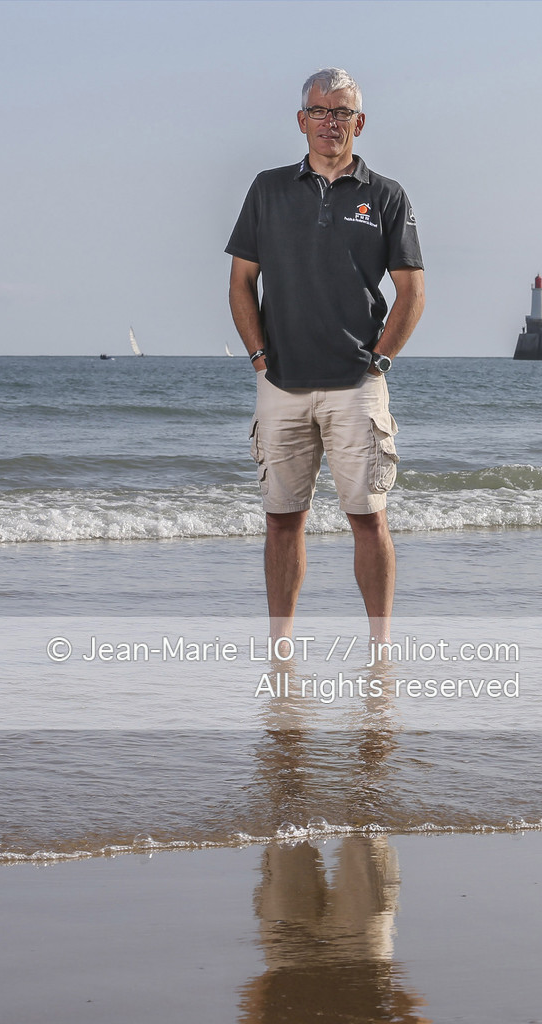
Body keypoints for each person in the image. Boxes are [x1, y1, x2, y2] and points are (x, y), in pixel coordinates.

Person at [227, 68, 425, 642]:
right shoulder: (267, 189)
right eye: (319, 111)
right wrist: (259, 358)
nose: (329, 123)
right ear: (301, 121)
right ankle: (280, 645)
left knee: (368, 518)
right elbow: (241, 282)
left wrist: (380, 361)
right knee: (283, 521)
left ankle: (381, 646)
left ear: (359, 123)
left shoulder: (386, 196)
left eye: (341, 113)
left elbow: (411, 292)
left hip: (356, 385)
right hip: (281, 382)